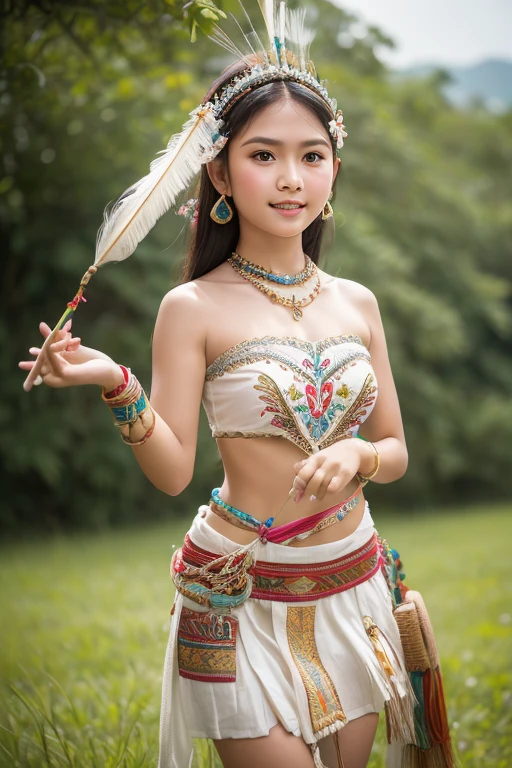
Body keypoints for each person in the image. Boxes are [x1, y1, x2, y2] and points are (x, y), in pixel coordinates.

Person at [19, 8, 455, 768]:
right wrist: (115, 383)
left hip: (354, 581)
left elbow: (395, 448)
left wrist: (358, 457)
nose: (291, 177)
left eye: (311, 155)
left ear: (334, 169)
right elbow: (173, 471)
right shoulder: (191, 308)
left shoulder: (358, 302)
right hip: (237, 592)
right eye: (264, 154)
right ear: (219, 171)